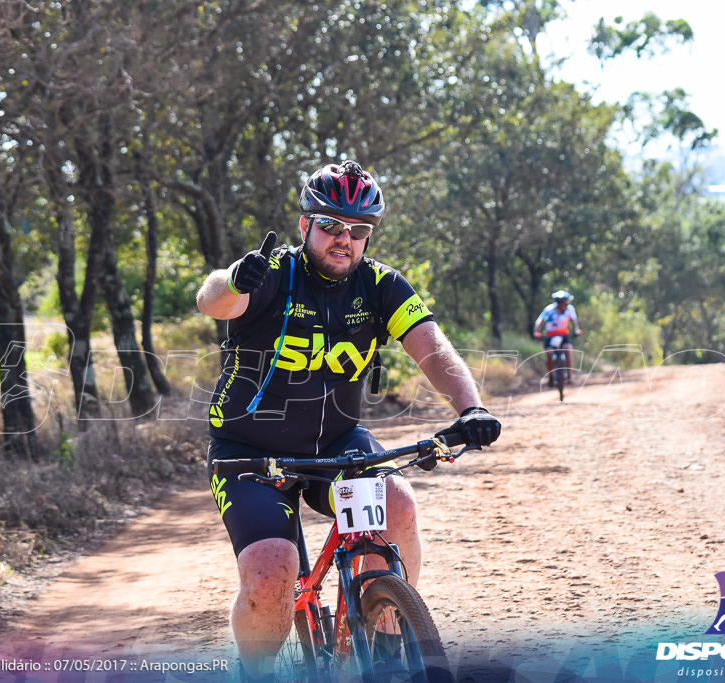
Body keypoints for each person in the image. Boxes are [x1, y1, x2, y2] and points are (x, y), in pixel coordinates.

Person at [196, 160, 501, 681]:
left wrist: (469, 407)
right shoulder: (272, 275)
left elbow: (432, 348)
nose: (346, 239)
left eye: (359, 230)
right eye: (332, 225)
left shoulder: (381, 285)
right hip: (249, 454)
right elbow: (212, 301)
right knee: (273, 570)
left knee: (398, 503)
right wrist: (233, 278)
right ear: (305, 227)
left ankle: (383, 642)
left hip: (336, 444)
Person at [532, 290, 582, 385]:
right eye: (565, 304)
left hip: (564, 335)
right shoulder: (549, 310)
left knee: (567, 350)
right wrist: (537, 332)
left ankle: (569, 376)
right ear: (559, 303)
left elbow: (574, 321)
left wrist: (577, 330)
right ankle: (551, 377)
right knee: (549, 353)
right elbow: (539, 322)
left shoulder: (570, 309)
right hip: (550, 336)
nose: (567, 305)